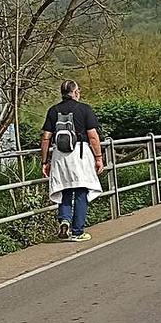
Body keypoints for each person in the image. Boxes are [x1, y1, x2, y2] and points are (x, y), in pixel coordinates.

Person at [42, 80, 104, 243]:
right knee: (81, 191)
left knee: (65, 189)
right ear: (75, 92)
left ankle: (64, 220)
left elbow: (46, 137)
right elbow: (93, 136)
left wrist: (44, 162)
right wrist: (98, 158)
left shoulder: (53, 110)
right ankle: (78, 231)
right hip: (80, 153)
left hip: (59, 155)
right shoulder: (84, 109)